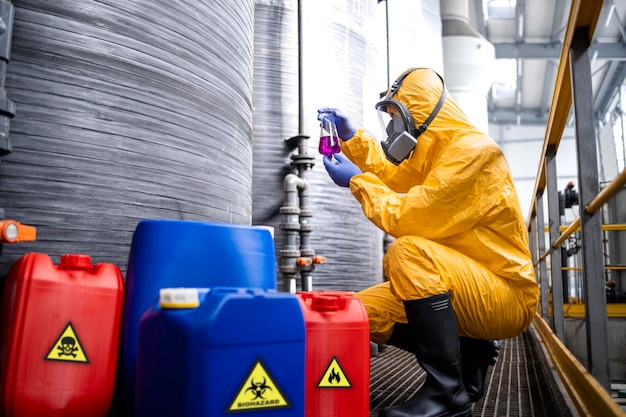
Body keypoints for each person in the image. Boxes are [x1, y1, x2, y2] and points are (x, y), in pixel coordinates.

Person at [319, 67, 538, 417]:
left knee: (407, 253)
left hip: (505, 295)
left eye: (396, 116)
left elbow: (410, 217)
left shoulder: (476, 154)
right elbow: (393, 179)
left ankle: (445, 393)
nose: (392, 127)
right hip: (463, 286)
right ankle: (470, 352)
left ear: (419, 114)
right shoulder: (436, 152)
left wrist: (358, 182)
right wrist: (352, 137)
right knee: (360, 314)